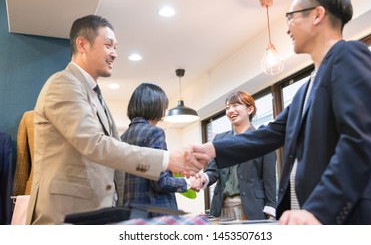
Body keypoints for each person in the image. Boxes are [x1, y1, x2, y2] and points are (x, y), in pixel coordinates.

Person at [189, 0, 371, 225]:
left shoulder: (350, 55)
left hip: (346, 218)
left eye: (291, 17)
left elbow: (359, 140)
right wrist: (213, 149)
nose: (287, 28)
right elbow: (268, 134)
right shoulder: (306, 88)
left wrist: (318, 209)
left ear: (317, 14)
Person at [25, 14, 207, 225]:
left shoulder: (94, 93)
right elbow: (94, 144)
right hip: (64, 213)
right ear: (82, 44)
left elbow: (114, 161)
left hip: (96, 213)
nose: (114, 54)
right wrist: (167, 160)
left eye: (115, 47)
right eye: (109, 45)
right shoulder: (63, 83)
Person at [121, 83, 201, 216]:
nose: (163, 113)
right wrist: (189, 182)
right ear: (155, 107)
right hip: (155, 215)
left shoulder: (122, 138)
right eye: (163, 107)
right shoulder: (154, 133)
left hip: (131, 214)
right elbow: (161, 182)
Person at [195, 91, 276, 220]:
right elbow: (213, 171)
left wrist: (271, 212)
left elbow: (269, 179)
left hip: (252, 208)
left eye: (236, 105)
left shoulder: (263, 139)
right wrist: (203, 178)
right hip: (221, 208)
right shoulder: (220, 139)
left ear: (250, 109)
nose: (230, 110)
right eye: (227, 107)